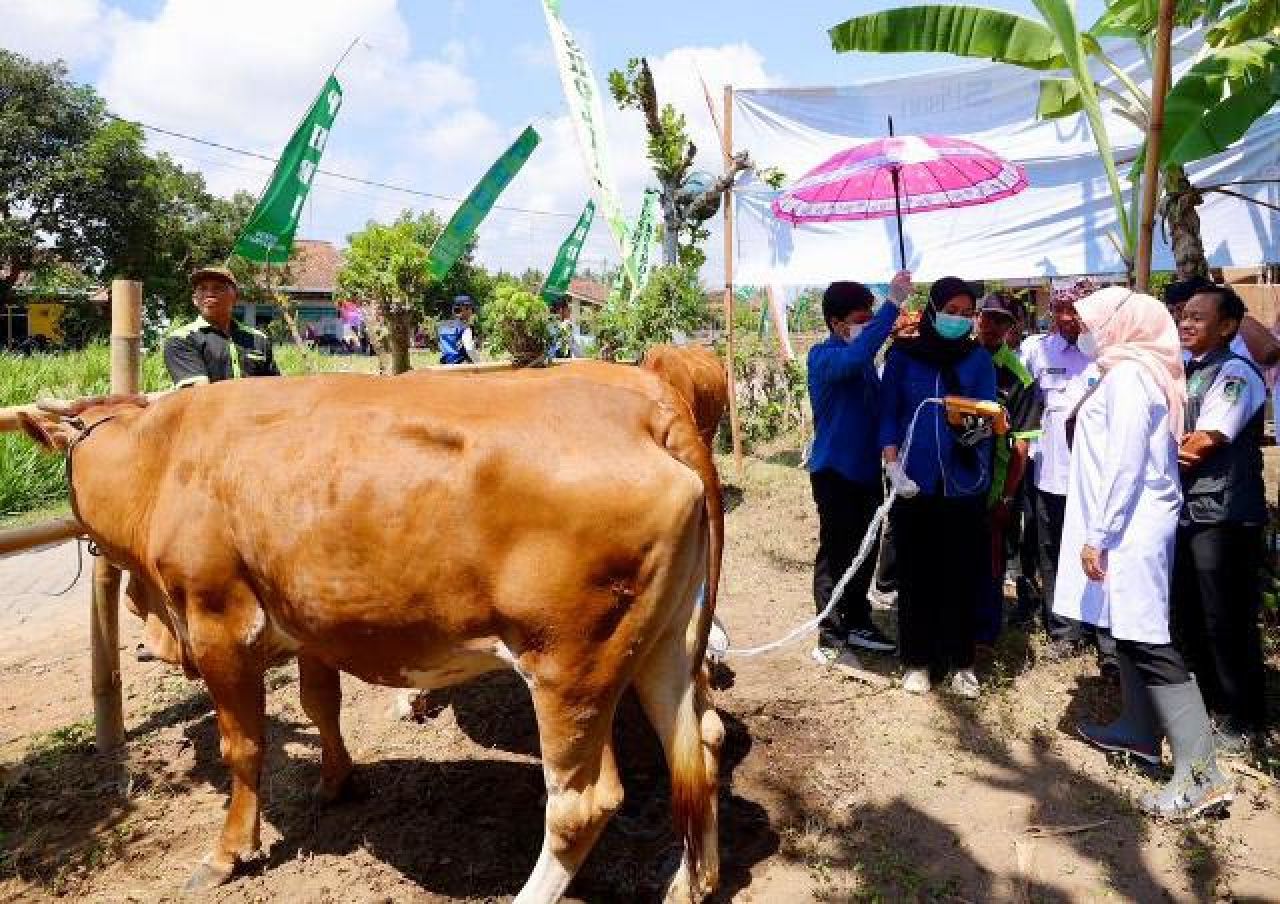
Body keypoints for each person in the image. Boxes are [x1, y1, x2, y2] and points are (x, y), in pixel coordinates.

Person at [1058, 287, 1232, 819]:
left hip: (1129, 525)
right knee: (1129, 630)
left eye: (1093, 322)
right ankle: (1137, 729)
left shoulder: (1132, 376)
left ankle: (1202, 774)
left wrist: (1099, 534)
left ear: (1121, 325)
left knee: (1149, 640)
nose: (1087, 331)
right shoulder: (1128, 370)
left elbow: (1126, 462)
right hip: (1127, 522)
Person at [879, 277, 997, 698]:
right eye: (952, 311)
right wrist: (894, 466)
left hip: (964, 484)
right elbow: (889, 415)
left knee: (961, 574)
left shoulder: (978, 359)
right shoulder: (905, 357)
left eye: (967, 314)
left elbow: (989, 413)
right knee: (917, 574)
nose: (959, 320)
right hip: (914, 484)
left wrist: (977, 429)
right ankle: (917, 661)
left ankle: (962, 662)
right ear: (933, 309)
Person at [1173, 284, 1269, 754]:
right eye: (1183, 315)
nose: (1186, 323)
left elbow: (1202, 443)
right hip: (1195, 512)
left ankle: (1246, 717)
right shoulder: (1193, 370)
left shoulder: (1234, 373)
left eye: (1197, 316)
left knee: (1226, 618)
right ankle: (1213, 704)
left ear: (1228, 326)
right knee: (1193, 613)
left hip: (1226, 515)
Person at [807, 272, 912, 661]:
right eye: (861, 318)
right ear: (837, 323)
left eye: (871, 315)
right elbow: (855, 356)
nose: (868, 323)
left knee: (865, 550)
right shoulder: (825, 356)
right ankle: (830, 634)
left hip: (867, 472)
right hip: (834, 473)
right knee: (836, 552)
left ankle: (857, 620)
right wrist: (892, 306)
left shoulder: (865, 362)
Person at [1021, 298, 1117, 670]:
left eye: (1075, 311)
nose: (1067, 318)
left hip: (1098, 478)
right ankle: (1064, 630)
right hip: (1052, 473)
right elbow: (1029, 404)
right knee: (1053, 552)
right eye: (1060, 309)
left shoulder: (1109, 352)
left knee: (1102, 555)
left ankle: (1107, 639)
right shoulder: (1037, 351)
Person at [974, 293, 1043, 648]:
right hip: (958, 481)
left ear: (1011, 328)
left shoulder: (1019, 378)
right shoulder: (960, 359)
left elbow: (1022, 446)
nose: (992, 326)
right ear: (977, 318)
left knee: (993, 554)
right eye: (987, 317)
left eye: (1001, 320)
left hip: (997, 485)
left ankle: (987, 630)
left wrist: (1006, 496)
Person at [163, 266, 280, 387]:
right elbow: (201, 394)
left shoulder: (259, 339)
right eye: (202, 289)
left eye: (218, 288)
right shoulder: (181, 339)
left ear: (235, 297)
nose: (209, 294)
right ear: (195, 299)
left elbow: (275, 389)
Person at [438, 295, 478, 365]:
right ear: (464, 309)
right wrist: (478, 363)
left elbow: (441, 346)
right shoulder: (465, 328)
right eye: (470, 308)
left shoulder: (442, 326)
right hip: (462, 365)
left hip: (445, 364)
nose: (471, 312)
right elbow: (469, 349)